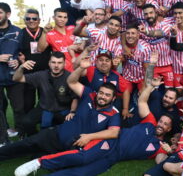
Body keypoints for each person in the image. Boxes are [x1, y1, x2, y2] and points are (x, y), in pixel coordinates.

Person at [14, 52, 173, 176]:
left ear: (169, 130)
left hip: (113, 157)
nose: (161, 124)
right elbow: (142, 102)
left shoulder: (159, 148)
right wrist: (150, 87)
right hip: (109, 142)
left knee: (84, 172)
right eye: (162, 121)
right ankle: (40, 162)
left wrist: (169, 153)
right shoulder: (150, 123)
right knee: (83, 157)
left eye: (166, 124)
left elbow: (162, 162)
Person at [0, 59, 120, 162]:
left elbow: (113, 132)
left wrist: (89, 137)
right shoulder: (90, 94)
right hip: (56, 134)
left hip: (71, 146)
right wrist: (81, 68)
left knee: (42, 159)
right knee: (27, 144)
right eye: (101, 93)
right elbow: (71, 82)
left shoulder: (113, 113)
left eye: (107, 95)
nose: (102, 97)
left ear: (113, 98)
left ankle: (38, 157)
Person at [13, 51, 78, 136]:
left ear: (64, 64)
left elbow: (75, 97)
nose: (56, 65)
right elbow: (16, 78)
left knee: (68, 130)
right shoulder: (41, 75)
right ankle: (35, 138)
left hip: (62, 110)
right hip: (44, 108)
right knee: (26, 122)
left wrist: (72, 112)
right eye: (53, 62)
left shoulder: (70, 77)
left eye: (59, 63)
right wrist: (21, 67)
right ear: (49, 63)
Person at [19, 9, 52, 120]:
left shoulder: (46, 32)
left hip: (45, 73)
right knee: (28, 103)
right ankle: (28, 129)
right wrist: (20, 59)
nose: (31, 21)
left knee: (46, 100)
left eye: (34, 18)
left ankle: (45, 124)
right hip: (28, 75)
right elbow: (17, 52)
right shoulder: (20, 34)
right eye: (28, 18)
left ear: (39, 20)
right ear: (24, 20)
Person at [0, 2, 24, 141]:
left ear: (8, 14)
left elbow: (22, 52)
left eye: (0, 12)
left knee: (19, 107)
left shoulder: (17, 31)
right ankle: (3, 138)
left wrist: (18, 60)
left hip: (14, 76)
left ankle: (21, 134)